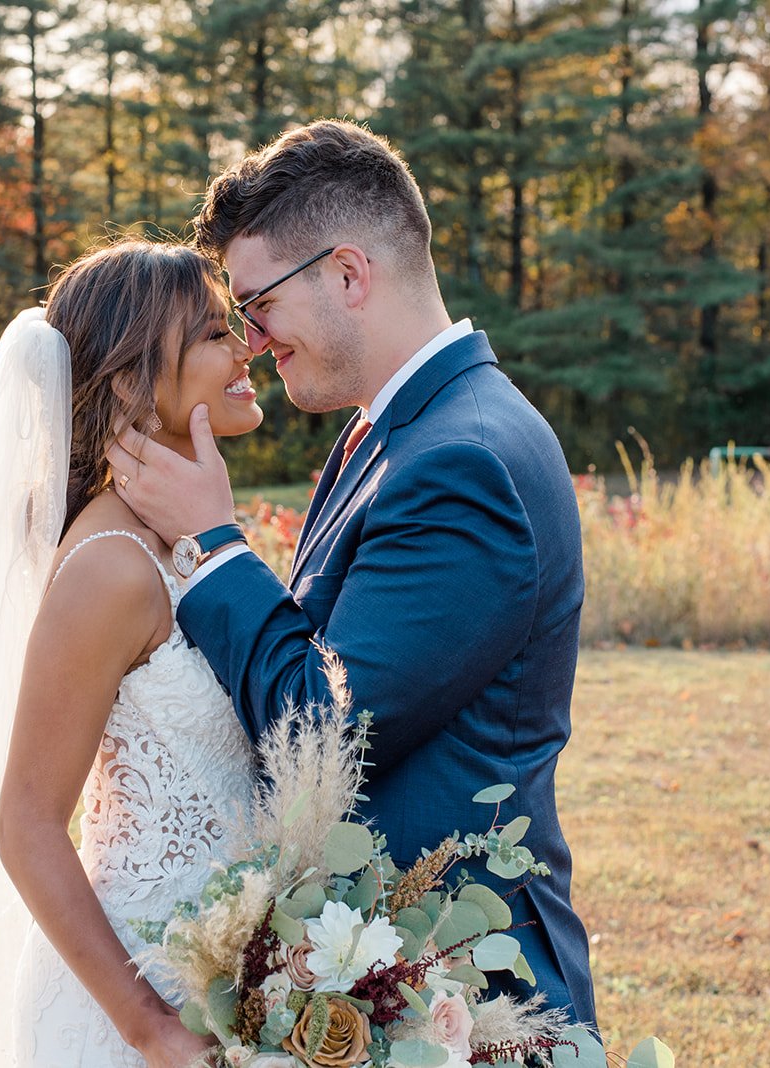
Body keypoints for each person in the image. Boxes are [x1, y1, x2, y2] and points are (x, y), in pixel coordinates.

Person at [108, 120, 598, 1029]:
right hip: (377, 978)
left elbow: (324, 733)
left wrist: (215, 544)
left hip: (459, 994)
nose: (252, 340)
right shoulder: (389, 432)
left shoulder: (463, 461)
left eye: (259, 305)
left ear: (347, 273)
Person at [0, 240, 265, 1067]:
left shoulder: (182, 536)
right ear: (129, 384)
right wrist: (150, 1026)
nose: (246, 348)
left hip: (231, 972)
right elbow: (26, 824)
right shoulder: (111, 567)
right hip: (142, 995)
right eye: (213, 334)